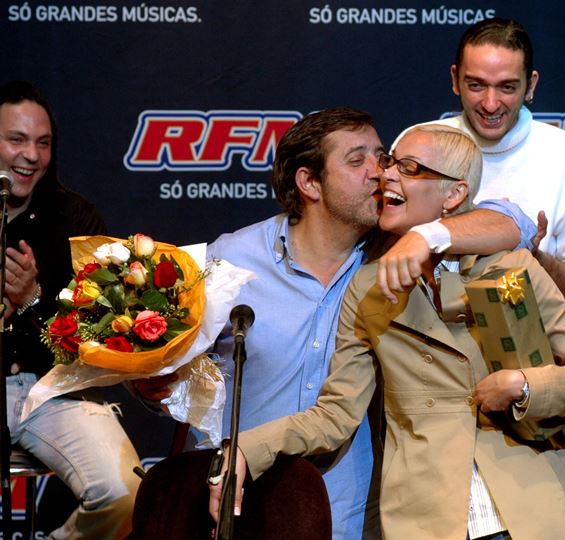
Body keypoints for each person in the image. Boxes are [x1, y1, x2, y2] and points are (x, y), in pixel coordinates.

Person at [133, 108, 531, 539]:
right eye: (358, 161)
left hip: (351, 515)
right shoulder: (229, 260)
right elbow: (170, 368)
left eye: (382, 157)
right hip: (238, 505)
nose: (380, 173)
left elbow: (515, 222)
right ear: (309, 183)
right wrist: (153, 384)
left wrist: (425, 236)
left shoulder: (396, 255)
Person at [210, 124, 565, 539]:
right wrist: (246, 448)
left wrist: (524, 386)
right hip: (426, 520)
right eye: (391, 163)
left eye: (408, 167)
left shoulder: (511, 267)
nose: (385, 174)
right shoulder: (368, 289)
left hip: (527, 513)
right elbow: (335, 415)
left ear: (454, 195)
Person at [387, 17, 565, 309]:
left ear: (530, 85)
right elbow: (384, 254)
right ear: (455, 79)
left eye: (506, 87)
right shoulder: (416, 143)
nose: (490, 104)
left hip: (531, 335)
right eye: (476, 85)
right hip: (425, 332)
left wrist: (531, 258)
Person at [0, 80, 141, 539]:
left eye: (42, 143)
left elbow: (98, 332)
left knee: (126, 493)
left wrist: (32, 299)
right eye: (16, 139)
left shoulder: (76, 219)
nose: (31, 155)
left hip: (53, 390)